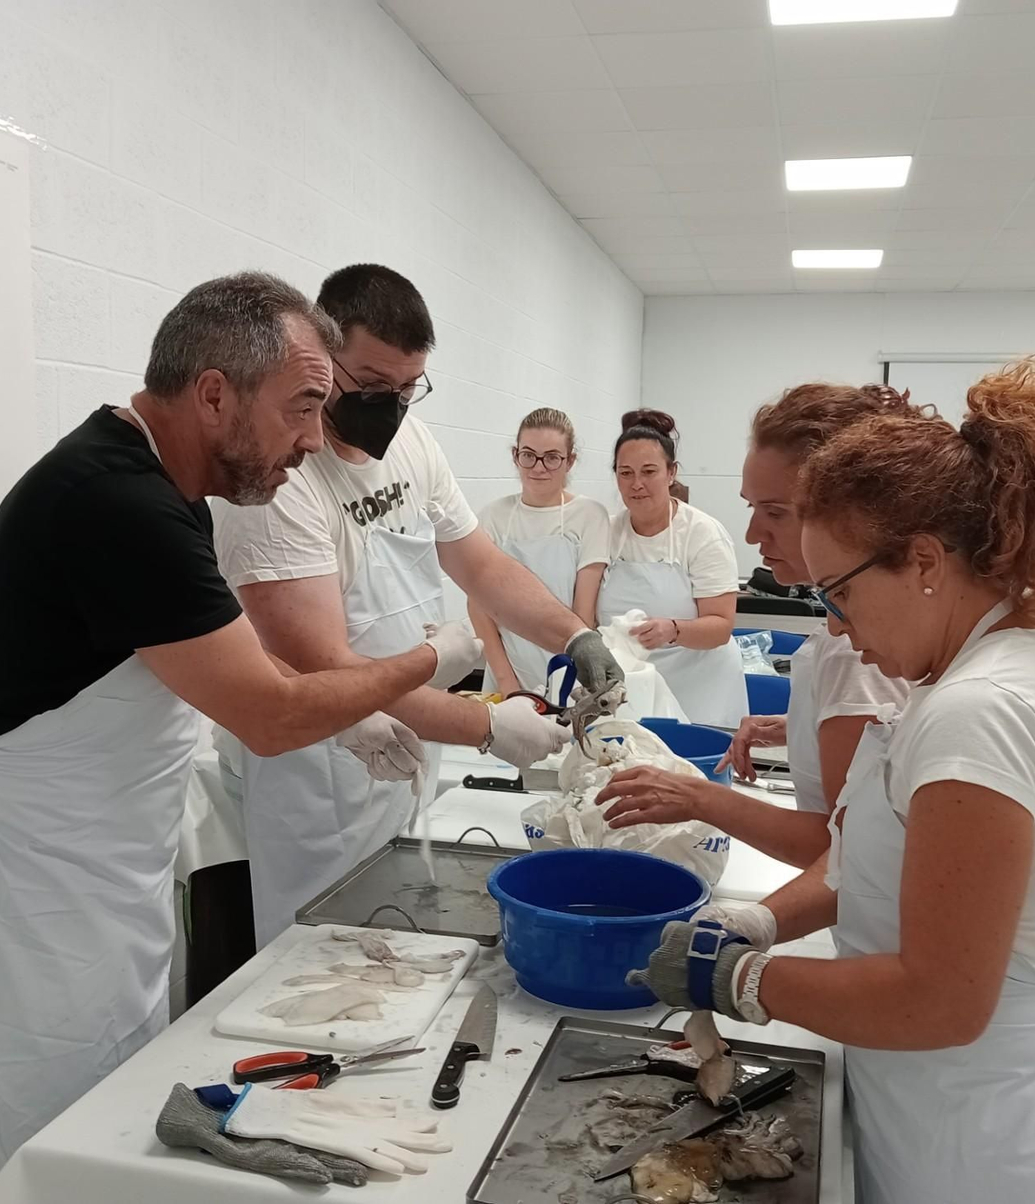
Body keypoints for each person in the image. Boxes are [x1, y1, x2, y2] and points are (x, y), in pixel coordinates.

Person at [0, 271, 485, 1203]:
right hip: (32, 900)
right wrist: (434, 656)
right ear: (215, 393)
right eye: (303, 406)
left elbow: (238, 673)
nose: (312, 438)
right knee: (44, 1157)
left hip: (102, 883)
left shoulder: (165, 495)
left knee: (109, 1139)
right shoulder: (115, 504)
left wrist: (346, 716)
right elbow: (269, 711)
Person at [626, 361, 1035, 1203]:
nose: (841, 631)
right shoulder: (967, 670)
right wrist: (755, 921)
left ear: (925, 561)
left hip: (986, 1143)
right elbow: (871, 857)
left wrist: (743, 981)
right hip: (935, 1103)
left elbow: (941, 999)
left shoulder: (984, 711)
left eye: (840, 596)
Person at [212, 264, 624, 946]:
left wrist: (573, 636)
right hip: (325, 758)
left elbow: (481, 564)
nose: (392, 406)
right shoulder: (283, 477)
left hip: (412, 738)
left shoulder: (410, 441)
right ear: (321, 358)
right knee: (320, 952)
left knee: (402, 934)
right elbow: (326, 666)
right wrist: (486, 728)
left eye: (408, 388)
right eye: (372, 387)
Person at [600, 384, 909, 870]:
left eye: (775, 512)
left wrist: (698, 798)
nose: (751, 535)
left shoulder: (860, 652)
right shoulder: (844, 635)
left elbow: (843, 851)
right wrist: (800, 728)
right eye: (751, 508)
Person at [598, 410, 747, 728]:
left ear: (671, 473)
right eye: (626, 473)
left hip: (701, 686)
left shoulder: (701, 533)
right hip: (634, 687)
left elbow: (721, 625)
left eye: (649, 471)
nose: (636, 484)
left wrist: (673, 630)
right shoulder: (606, 533)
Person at [467, 407, 611, 696]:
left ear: (570, 461)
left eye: (552, 458)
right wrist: (507, 682)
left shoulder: (589, 516)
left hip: (570, 672)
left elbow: (584, 612)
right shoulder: (493, 516)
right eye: (529, 455)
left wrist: (569, 678)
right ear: (515, 455)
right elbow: (479, 606)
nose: (539, 467)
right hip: (506, 672)